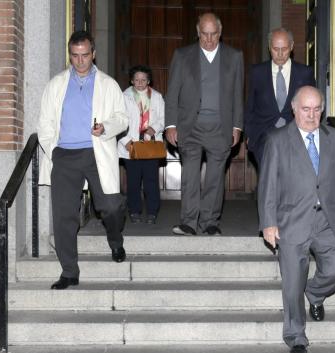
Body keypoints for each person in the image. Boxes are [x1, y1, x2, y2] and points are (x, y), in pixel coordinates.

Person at [258, 86, 335, 353]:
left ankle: (314, 293)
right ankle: (295, 336)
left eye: (316, 109)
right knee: (291, 284)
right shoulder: (277, 139)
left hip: (327, 220)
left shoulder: (334, 138)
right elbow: (268, 184)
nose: (311, 115)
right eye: (305, 109)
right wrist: (268, 222)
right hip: (291, 220)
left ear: (322, 110)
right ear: (294, 109)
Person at [38, 30, 129, 290]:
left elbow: (122, 118)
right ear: (70, 54)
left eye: (85, 55)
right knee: (64, 215)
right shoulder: (56, 84)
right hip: (64, 155)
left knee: (110, 205)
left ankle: (115, 240)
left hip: (95, 152)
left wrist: (106, 128)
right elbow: (44, 123)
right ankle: (69, 271)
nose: (80, 61)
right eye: (75, 56)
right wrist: (53, 151)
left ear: (93, 54)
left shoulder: (108, 84)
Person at [165, 12, 244, 236]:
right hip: (190, 127)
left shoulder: (234, 56)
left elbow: (238, 94)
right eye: (204, 35)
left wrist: (236, 127)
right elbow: (172, 94)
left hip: (221, 127)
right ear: (198, 33)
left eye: (213, 34)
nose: (209, 40)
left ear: (220, 33)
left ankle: (210, 222)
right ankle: (188, 222)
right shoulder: (182, 55)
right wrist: (170, 124)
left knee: (215, 178)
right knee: (190, 176)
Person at [244, 28, 316, 169]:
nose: (280, 54)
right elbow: (250, 106)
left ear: (292, 46)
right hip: (264, 138)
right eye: (276, 49)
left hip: (296, 137)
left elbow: (313, 106)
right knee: (269, 183)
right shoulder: (257, 72)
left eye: (284, 49)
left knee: (292, 183)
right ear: (269, 47)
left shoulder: (304, 73)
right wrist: (250, 134)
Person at [118, 65, 165, 224]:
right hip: (131, 145)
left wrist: (154, 128)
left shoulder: (157, 97)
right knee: (133, 182)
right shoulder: (123, 96)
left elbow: (163, 118)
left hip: (150, 145)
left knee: (151, 181)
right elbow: (118, 121)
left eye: (143, 80)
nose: (140, 83)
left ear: (149, 80)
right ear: (131, 80)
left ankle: (152, 212)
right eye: (136, 80)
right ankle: (134, 211)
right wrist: (125, 141)